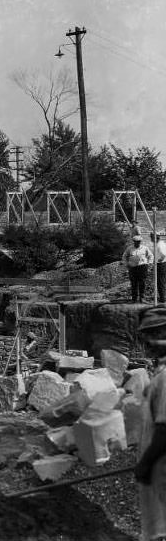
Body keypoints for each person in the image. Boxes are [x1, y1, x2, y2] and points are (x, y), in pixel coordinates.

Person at [136, 307, 166, 541]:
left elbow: (165, 428)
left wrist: (145, 464)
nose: (148, 341)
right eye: (146, 334)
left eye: (154, 333)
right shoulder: (160, 372)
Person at [124, 234, 154, 303]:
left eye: (139, 241)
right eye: (136, 241)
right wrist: (127, 264)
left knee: (142, 283)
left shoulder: (145, 248)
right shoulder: (129, 248)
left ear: (141, 242)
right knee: (134, 283)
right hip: (133, 268)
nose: (138, 243)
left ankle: (142, 298)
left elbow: (151, 256)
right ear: (134, 241)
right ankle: (134, 299)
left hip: (142, 267)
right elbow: (124, 256)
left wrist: (149, 264)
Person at [155, 232, 166, 305]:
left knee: (160, 281)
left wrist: (158, 260)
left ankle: (162, 298)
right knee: (162, 281)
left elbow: (163, 255)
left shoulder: (159, 245)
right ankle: (163, 297)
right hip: (163, 264)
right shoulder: (162, 243)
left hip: (161, 264)